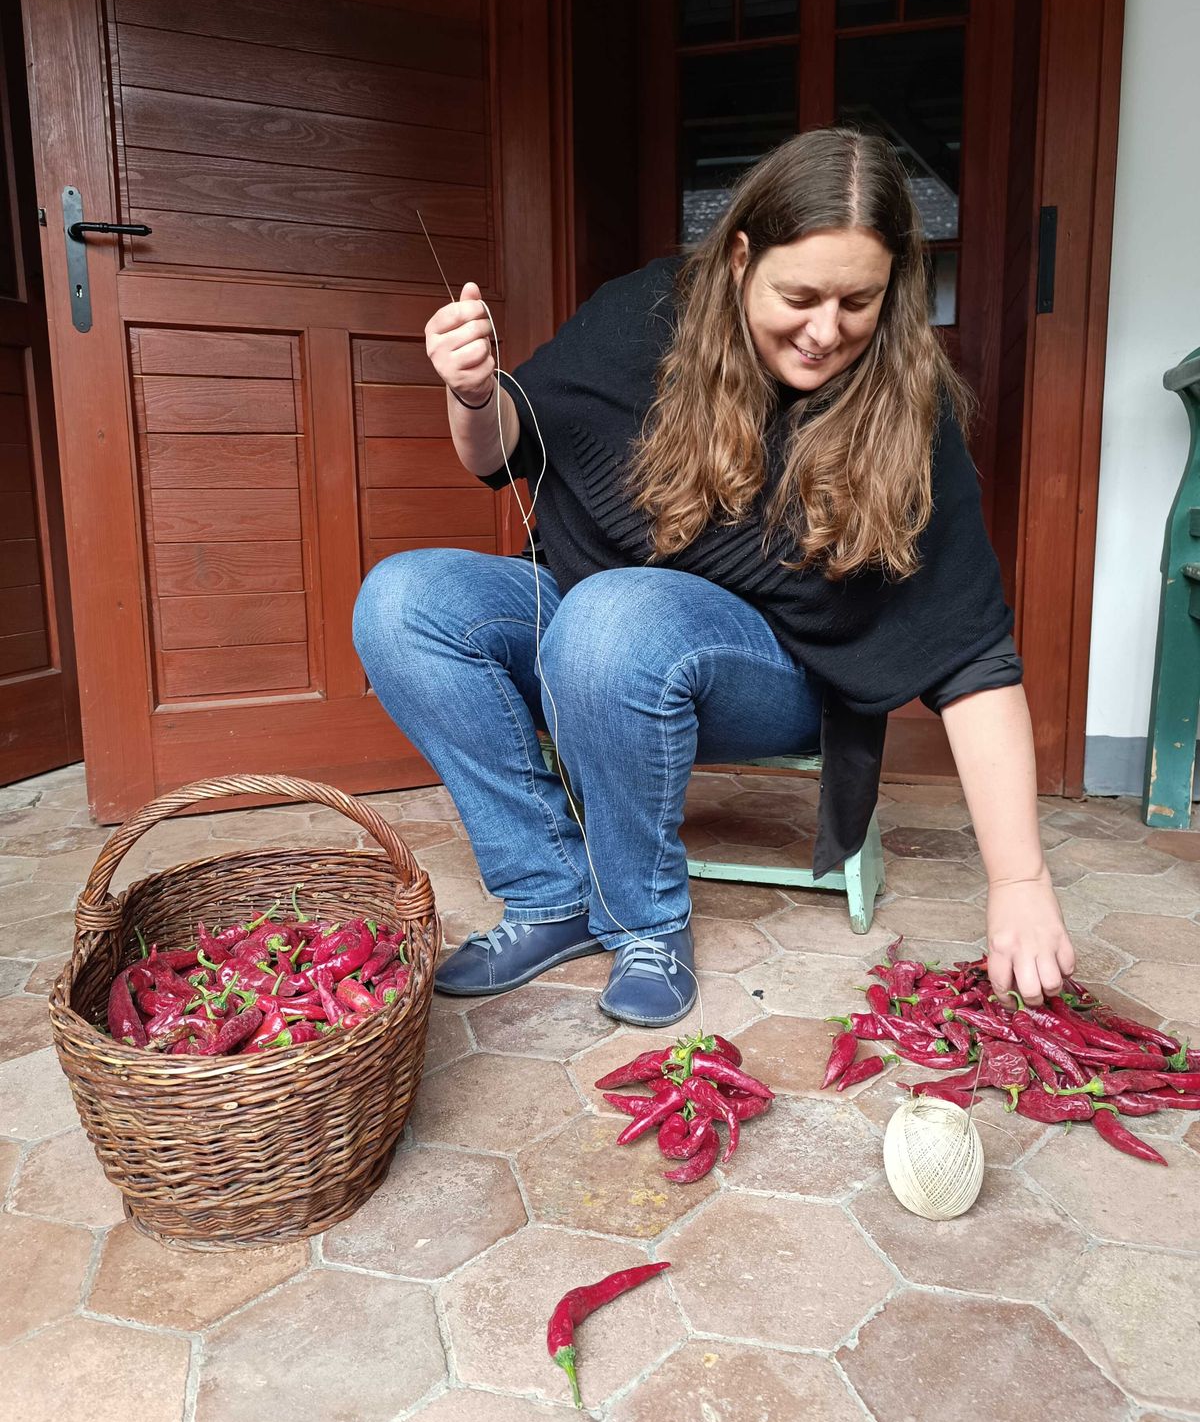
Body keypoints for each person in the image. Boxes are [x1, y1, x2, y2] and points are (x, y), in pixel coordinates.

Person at [352, 127, 1075, 1028]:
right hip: (596, 627)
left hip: (774, 670)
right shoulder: (645, 314)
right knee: (403, 601)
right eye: (800, 295)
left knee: (612, 617)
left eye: (860, 301)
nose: (826, 332)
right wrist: (469, 392)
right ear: (740, 259)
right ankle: (549, 893)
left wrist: (1021, 881)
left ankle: (642, 921)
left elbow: (973, 657)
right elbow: (505, 450)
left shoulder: (906, 407)